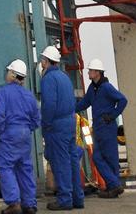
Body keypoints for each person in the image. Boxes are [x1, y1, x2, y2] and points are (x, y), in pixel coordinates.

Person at [39, 46, 83, 212]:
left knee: (60, 162)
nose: (41, 64)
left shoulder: (48, 79)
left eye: (42, 60)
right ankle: (77, 198)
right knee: (72, 161)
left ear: (46, 61)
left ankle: (65, 199)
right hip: (70, 123)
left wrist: (46, 124)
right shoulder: (64, 77)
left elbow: (49, 105)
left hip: (57, 126)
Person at [0, 59, 41, 214]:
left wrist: (1, 132)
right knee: (25, 168)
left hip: (10, 133)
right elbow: (36, 119)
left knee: (6, 167)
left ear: (13, 75)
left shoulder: (3, 92)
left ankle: (14, 203)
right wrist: (27, 129)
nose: (7, 74)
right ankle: (30, 204)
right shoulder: (29, 95)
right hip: (25, 134)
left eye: (8, 71)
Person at [75, 59, 127, 199]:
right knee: (100, 157)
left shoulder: (106, 87)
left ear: (97, 72)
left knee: (109, 158)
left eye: (91, 70)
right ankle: (114, 186)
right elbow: (85, 103)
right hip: (98, 127)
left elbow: (123, 100)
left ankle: (114, 186)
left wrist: (113, 115)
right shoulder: (93, 88)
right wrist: (69, 108)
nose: (88, 72)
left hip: (107, 127)